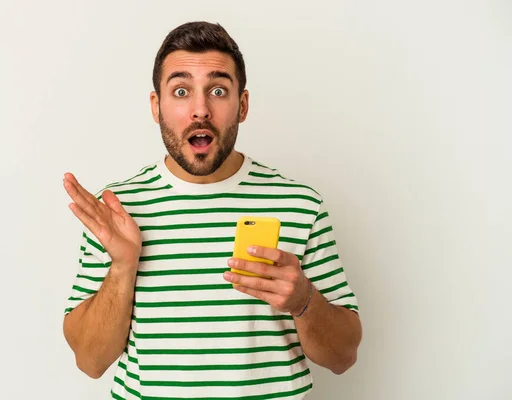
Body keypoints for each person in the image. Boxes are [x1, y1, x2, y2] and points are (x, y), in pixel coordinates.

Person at [62, 21, 362, 400]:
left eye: (218, 90)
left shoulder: (300, 205)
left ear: (243, 104)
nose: (200, 110)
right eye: (181, 91)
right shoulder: (115, 211)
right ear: (157, 107)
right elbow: (90, 361)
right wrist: (123, 266)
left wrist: (304, 301)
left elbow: (343, 356)